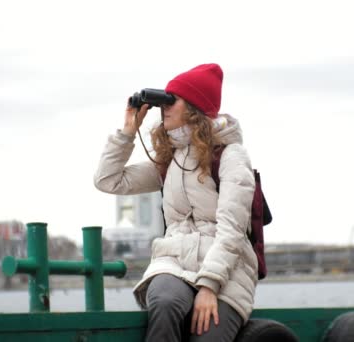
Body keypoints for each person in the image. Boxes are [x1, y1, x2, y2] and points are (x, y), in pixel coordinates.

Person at [94, 63, 257, 342]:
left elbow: (232, 230)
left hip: (227, 271)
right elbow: (108, 180)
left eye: (173, 100)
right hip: (174, 263)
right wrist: (127, 132)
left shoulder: (231, 157)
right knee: (165, 302)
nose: (164, 107)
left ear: (194, 109)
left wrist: (209, 287)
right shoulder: (171, 160)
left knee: (208, 335)